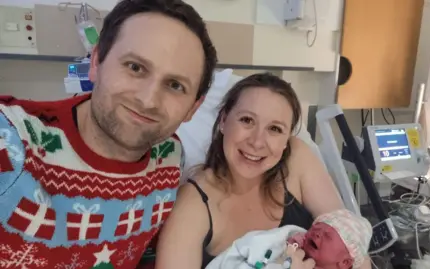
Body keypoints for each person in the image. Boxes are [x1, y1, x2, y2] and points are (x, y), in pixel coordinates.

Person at [0, 0, 217, 268]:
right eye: (135, 67)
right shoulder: (11, 140)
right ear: (96, 61)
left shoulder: (169, 158)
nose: (148, 100)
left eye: (175, 85)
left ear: (193, 108)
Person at [155, 73, 372, 269]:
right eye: (247, 120)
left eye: (275, 129)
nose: (257, 142)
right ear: (223, 121)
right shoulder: (192, 207)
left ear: (287, 140)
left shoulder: (296, 160)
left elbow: (352, 245)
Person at [205, 209, 372, 269]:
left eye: (327, 236)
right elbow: (254, 251)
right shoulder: (286, 247)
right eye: (316, 228)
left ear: (344, 263)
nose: (317, 234)